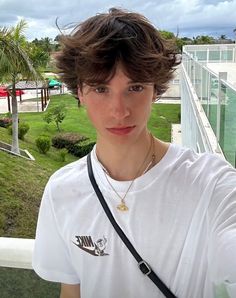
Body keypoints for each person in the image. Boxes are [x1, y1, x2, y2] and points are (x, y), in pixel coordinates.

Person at [32, 7, 236, 298]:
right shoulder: (62, 191)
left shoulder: (212, 183)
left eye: (135, 87)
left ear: (156, 90)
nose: (120, 110)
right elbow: (71, 291)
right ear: (79, 91)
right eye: (101, 89)